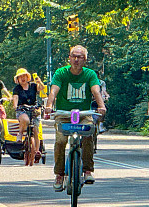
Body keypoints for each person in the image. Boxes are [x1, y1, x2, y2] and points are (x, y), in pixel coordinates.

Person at [44, 45, 106, 190]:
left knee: (89, 134)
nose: (76, 60)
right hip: (64, 114)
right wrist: (49, 105)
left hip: (83, 114)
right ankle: (59, 174)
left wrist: (101, 106)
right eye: (74, 56)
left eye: (80, 57)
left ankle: (87, 170)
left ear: (85, 60)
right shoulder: (61, 73)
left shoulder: (90, 74)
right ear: (69, 58)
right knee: (60, 141)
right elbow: (53, 91)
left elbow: (96, 91)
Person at [12, 68, 44, 161]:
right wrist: (15, 106)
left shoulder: (33, 86)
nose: (22, 78)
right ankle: (20, 133)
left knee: (36, 130)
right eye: (20, 77)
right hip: (22, 109)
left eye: (24, 76)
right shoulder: (17, 88)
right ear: (17, 79)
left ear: (27, 77)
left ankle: (37, 151)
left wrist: (39, 81)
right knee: (25, 120)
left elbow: (41, 88)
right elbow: (15, 98)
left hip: (33, 109)